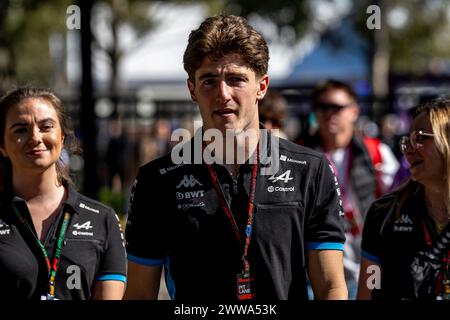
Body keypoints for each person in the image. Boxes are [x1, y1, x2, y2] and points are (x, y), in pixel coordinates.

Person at [124, 14, 347, 300]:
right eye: (209, 80)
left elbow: (331, 286)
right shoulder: (156, 180)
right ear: (192, 89)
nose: (223, 93)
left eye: (236, 79)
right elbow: (140, 294)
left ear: (261, 87)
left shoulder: (311, 170)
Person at [0, 87, 127, 300]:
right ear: (2, 145)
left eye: (46, 126)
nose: (35, 137)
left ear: (62, 137)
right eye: (20, 129)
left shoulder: (102, 219)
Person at [302, 80, 399, 299]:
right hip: (314, 278)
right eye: (322, 107)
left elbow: (398, 207)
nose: (329, 113)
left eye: (336, 107)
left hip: (367, 269)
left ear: (354, 111)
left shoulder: (376, 153)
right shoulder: (299, 155)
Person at [358, 99, 450, 300]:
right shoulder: (384, 212)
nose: (408, 149)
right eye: (406, 140)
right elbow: (369, 291)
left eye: (419, 138)